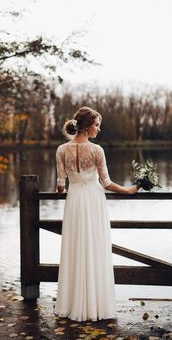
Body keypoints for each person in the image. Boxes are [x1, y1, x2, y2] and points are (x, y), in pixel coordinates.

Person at [54, 106, 139, 322]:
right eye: (97, 125)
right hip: (93, 200)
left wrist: (65, 187)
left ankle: (73, 303)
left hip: (73, 200)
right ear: (86, 126)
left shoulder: (61, 150)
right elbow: (107, 183)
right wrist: (128, 190)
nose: (98, 129)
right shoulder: (96, 150)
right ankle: (94, 304)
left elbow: (60, 186)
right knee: (93, 246)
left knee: (75, 248)